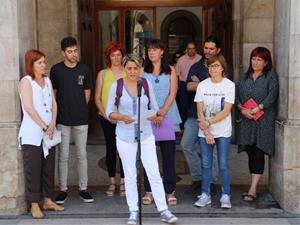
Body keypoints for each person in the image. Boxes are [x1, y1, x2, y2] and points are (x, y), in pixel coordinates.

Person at [106, 54, 178, 224]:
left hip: (145, 133)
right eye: (129, 68)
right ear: (124, 69)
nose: (132, 72)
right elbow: (109, 111)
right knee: (130, 174)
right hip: (125, 136)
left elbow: (154, 107)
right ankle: (133, 211)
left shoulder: (145, 84)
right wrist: (122, 117)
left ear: (140, 69)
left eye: (135, 68)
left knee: (153, 172)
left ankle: (164, 210)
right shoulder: (117, 86)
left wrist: (154, 115)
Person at [181, 35, 233, 194]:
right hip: (195, 114)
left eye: (212, 48)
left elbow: (223, 86)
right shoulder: (196, 65)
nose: (208, 51)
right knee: (186, 144)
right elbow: (189, 86)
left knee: (216, 151)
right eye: (206, 48)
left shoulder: (226, 67)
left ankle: (210, 182)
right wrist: (205, 84)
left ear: (218, 50)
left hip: (218, 118)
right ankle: (198, 178)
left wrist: (202, 84)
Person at [18, 49, 64, 218]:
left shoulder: (47, 80)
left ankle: (47, 200)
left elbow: (53, 103)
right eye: (40, 63)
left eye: (44, 61)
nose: (44, 65)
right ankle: (34, 204)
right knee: (33, 168)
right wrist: (44, 127)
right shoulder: (26, 82)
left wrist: (52, 124)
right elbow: (29, 108)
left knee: (48, 168)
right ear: (32, 65)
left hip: (49, 132)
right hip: (32, 133)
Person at [50, 37, 94, 204]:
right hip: (62, 119)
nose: (73, 54)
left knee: (82, 155)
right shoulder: (56, 70)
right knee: (63, 156)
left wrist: (81, 108)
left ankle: (84, 189)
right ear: (63, 53)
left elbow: (87, 92)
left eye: (75, 51)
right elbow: (53, 93)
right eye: (69, 51)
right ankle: (63, 190)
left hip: (81, 119)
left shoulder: (84, 69)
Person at [236, 47, 279, 202]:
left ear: (266, 62)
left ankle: (253, 189)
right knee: (250, 150)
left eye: (259, 59)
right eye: (253, 58)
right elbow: (236, 95)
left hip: (263, 121)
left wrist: (258, 107)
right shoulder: (244, 77)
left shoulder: (270, 76)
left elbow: (272, 94)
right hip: (247, 121)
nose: (255, 62)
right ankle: (253, 184)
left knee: (258, 152)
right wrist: (242, 109)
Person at [143, 39, 181, 206]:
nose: (151, 52)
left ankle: (169, 191)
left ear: (162, 52)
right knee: (148, 157)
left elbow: (173, 93)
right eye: (149, 50)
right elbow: (141, 94)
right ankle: (149, 191)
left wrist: (163, 112)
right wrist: (153, 114)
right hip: (148, 118)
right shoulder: (142, 72)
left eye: (155, 49)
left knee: (168, 157)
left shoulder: (171, 70)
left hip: (168, 115)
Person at [194, 54, 235, 209]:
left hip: (223, 131)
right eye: (210, 66)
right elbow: (199, 110)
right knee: (206, 163)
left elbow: (226, 111)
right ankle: (205, 194)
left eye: (216, 65)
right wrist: (207, 132)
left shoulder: (229, 85)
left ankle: (225, 195)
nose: (213, 69)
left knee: (223, 163)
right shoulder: (202, 85)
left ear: (223, 68)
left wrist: (208, 124)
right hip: (205, 131)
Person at [95, 42, 126, 197]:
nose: (116, 58)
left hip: (125, 119)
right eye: (113, 55)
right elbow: (97, 98)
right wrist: (107, 116)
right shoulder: (102, 74)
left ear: (122, 56)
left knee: (125, 150)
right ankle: (112, 182)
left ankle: (124, 182)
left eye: (119, 54)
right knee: (111, 149)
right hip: (107, 118)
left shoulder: (129, 71)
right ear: (109, 57)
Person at [175, 41, 202, 126]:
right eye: (189, 49)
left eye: (193, 49)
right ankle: (183, 127)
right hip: (183, 85)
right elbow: (176, 74)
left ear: (196, 49)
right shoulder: (181, 60)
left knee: (196, 106)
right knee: (184, 106)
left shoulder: (200, 59)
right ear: (187, 50)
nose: (191, 51)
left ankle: (196, 126)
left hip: (197, 85)